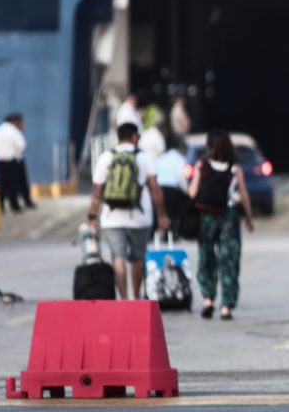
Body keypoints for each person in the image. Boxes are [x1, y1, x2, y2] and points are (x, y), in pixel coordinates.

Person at [88, 123, 170, 300]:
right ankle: (136, 296)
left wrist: (92, 215)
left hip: (112, 218)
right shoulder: (145, 157)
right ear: (134, 137)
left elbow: (97, 190)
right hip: (140, 217)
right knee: (137, 257)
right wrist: (162, 215)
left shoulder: (106, 157)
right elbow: (155, 188)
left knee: (118, 257)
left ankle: (123, 298)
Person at [189, 129, 255, 321]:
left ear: (209, 146)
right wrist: (249, 219)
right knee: (229, 261)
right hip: (228, 217)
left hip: (205, 218)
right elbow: (244, 196)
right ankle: (226, 306)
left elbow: (192, 193)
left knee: (206, 257)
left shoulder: (201, 165)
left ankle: (208, 300)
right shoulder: (235, 169)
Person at [0, 113, 34, 212]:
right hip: (12, 161)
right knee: (13, 184)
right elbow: (22, 146)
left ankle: (0, 205)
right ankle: (14, 205)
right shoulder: (14, 131)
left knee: (2, 183)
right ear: (15, 122)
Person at [155, 134, 190, 237]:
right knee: (176, 211)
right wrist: (186, 191)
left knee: (163, 211)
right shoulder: (180, 158)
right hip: (173, 190)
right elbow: (181, 178)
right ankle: (173, 230)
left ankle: (163, 230)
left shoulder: (161, 158)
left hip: (160, 189)